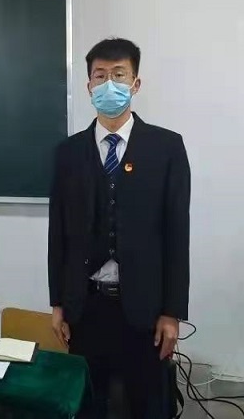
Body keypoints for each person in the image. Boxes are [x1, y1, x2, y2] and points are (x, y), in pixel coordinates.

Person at [48, 38, 190, 419]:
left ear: (135, 83)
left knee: (148, 407)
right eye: (100, 76)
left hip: (145, 310)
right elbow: (58, 235)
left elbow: (177, 236)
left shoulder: (166, 148)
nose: (108, 83)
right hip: (86, 307)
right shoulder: (68, 153)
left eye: (119, 75)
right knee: (88, 406)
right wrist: (58, 303)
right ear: (89, 86)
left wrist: (172, 312)